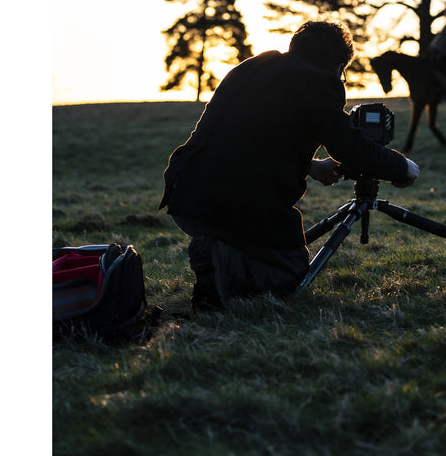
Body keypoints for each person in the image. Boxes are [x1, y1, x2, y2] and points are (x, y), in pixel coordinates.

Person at [158, 19, 419, 311]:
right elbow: (350, 149)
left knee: (260, 245)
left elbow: (245, 138)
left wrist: (311, 166)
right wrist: (402, 167)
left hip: (186, 197)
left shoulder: (251, 67)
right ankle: (224, 263)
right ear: (338, 65)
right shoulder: (320, 81)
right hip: (234, 205)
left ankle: (222, 256)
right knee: (292, 272)